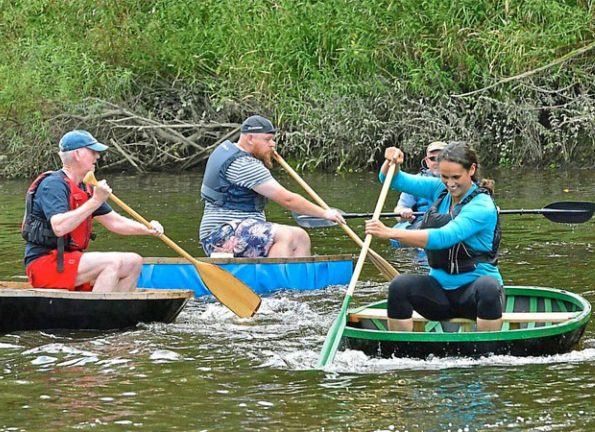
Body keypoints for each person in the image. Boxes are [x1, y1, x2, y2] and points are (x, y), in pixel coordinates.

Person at [365, 142, 504, 331]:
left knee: (489, 287)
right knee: (399, 286)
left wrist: (390, 232)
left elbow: (443, 237)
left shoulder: (482, 206)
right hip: (440, 296)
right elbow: (391, 179)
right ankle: (401, 351)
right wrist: (393, 163)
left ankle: (487, 352)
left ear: (471, 169)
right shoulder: (440, 189)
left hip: (474, 297)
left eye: (456, 177)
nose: (450, 183)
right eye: (444, 177)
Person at [22, 130, 164, 293]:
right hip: (46, 263)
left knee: (134, 262)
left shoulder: (86, 188)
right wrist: (96, 201)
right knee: (110, 263)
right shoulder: (53, 185)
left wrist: (147, 228)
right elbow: (59, 227)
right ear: (78, 154)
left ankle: (118, 314)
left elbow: (115, 222)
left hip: (72, 261)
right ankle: (97, 315)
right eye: (93, 151)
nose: (97, 156)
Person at [199, 115, 345, 258]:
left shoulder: (229, 149)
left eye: (273, 139)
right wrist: (326, 214)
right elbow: (288, 200)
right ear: (250, 139)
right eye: (267, 140)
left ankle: (299, 282)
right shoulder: (243, 165)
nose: (273, 144)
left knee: (301, 237)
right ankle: (276, 282)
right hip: (220, 235)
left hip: (240, 229)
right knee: (284, 236)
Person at [390, 140, 447, 249]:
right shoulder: (417, 182)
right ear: (427, 161)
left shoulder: (460, 181)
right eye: (432, 159)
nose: (437, 162)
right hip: (421, 226)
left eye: (441, 157)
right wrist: (403, 212)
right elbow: (399, 209)